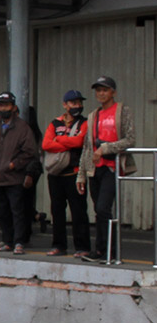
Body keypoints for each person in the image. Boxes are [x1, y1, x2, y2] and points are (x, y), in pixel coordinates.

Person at [77, 76, 136, 262]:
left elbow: (130, 139)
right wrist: (81, 175)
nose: (101, 93)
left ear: (113, 92)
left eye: (105, 90)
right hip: (95, 168)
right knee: (98, 210)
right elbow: (87, 146)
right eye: (98, 90)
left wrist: (106, 148)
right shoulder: (93, 115)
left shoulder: (122, 111)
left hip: (113, 167)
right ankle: (102, 250)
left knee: (104, 208)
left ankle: (110, 250)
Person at [0, 92, 40, 255]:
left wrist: (14, 164)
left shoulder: (23, 127)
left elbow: (30, 152)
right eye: (1, 105)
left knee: (18, 212)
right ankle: (7, 240)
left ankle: (19, 242)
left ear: (14, 107)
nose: (3, 108)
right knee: (1, 212)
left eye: (6, 105)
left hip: (14, 177)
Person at [42, 90, 90, 257]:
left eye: (79, 103)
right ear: (65, 105)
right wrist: (68, 143)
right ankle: (59, 246)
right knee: (57, 211)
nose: (78, 106)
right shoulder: (55, 123)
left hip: (75, 173)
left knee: (79, 211)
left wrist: (60, 140)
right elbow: (46, 144)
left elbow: (80, 141)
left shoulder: (84, 122)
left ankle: (82, 247)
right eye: (73, 103)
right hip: (56, 175)